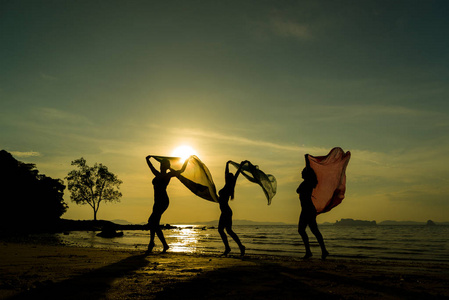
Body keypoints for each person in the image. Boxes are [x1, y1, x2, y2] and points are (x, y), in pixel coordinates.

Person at [145, 155, 190, 254]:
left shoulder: (168, 175)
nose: (161, 166)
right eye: (161, 164)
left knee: (152, 221)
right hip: (156, 201)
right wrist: (148, 159)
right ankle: (157, 244)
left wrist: (186, 160)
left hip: (163, 200)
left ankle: (155, 243)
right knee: (153, 222)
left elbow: (181, 170)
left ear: (165, 166)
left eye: (162, 165)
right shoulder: (157, 174)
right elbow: (151, 167)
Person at [297, 154, 329, 259]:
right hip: (306, 209)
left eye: (303, 171)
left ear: (306, 174)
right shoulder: (306, 182)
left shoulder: (308, 182)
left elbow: (308, 168)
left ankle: (314, 251)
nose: (301, 172)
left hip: (308, 210)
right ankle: (321, 251)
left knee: (305, 230)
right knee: (310, 230)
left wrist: (306, 159)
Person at [218, 160, 248, 256]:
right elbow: (226, 173)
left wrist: (241, 166)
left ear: (230, 178)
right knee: (227, 230)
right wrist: (227, 164)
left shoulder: (230, 185)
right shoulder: (227, 184)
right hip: (225, 211)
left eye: (229, 176)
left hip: (226, 211)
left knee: (224, 230)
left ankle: (231, 248)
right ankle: (236, 247)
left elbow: (236, 174)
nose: (227, 176)